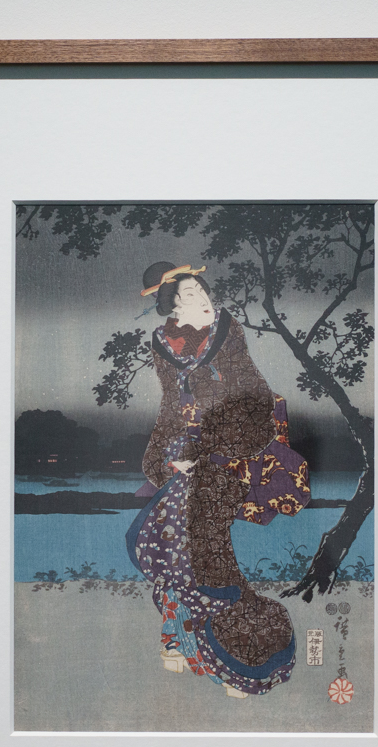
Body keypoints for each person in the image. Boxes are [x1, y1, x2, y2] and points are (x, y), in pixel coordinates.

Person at [126, 262, 302, 697]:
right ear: (171, 306)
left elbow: (251, 392)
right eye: (189, 295)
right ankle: (175, 641)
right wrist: (163, 457)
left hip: (231, 447)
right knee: (165, 545)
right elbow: (171, 402)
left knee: (207, 559)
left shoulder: (227, 333)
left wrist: (207, 447)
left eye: (202, 292)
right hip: (184, 456)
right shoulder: (164, 343)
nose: (202, 300)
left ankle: (243, 665)